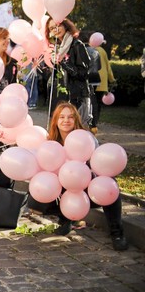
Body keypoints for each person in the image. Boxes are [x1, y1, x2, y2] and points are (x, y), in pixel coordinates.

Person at [45, 102, 128, 250]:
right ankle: (65, 220)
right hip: (65, 190)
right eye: (62, 117)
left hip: (89, 190)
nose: (66, 120)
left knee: (109, 185)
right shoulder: (51, 142)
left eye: (70, 117)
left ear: (76, 120)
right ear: (56, 121)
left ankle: (117, 233)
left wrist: (88, 173)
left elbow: (100, 165)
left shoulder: (86, 139)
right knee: (40, 193)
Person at [42, 18, 91, 122]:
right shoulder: (55, 48)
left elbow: (84, 73)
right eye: (52, 28)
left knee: (76, 132)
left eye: (58, 25)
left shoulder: (77, 45)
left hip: (76, 97)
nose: (56, 29)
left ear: (65, 26)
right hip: (59, 98)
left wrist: (63, 62)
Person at [91, 38, 115, 134]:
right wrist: (112, 79)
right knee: (98, 102)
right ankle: (95, 121)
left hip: (92, 78)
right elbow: (108, 67)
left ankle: (91, 121)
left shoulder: (90, 50)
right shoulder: (102, 51)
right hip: (102, 80)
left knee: (92, 101)